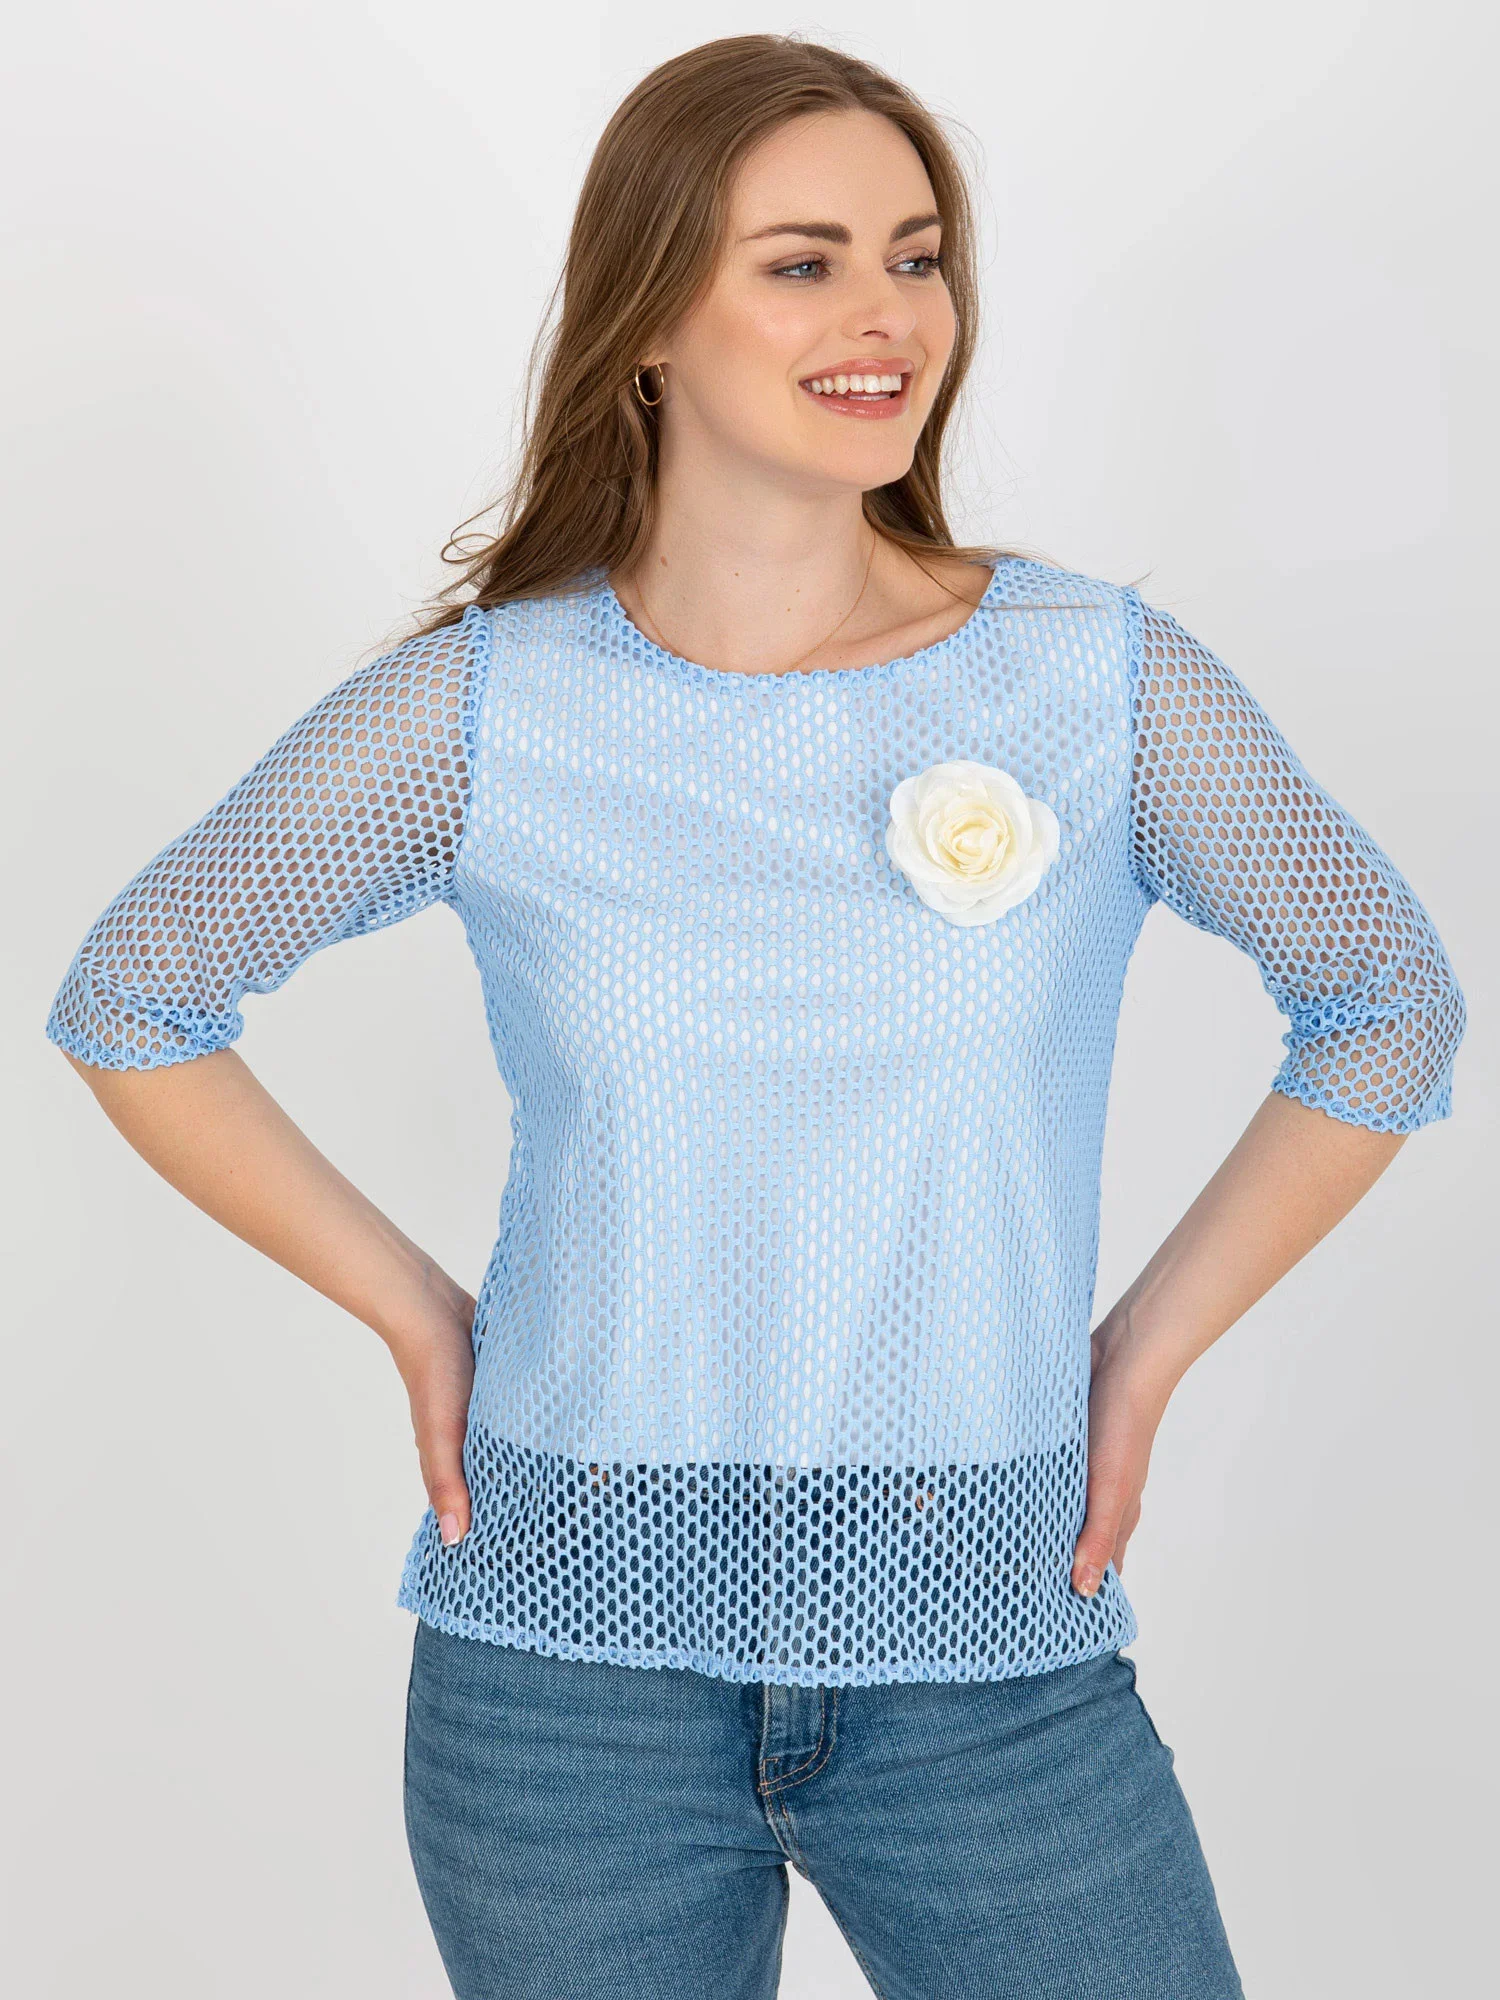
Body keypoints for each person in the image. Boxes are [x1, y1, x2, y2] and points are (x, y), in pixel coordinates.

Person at [44, 32, 1466, 2000]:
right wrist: (420, 1315)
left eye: (917, 254)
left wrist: (1134, 1362)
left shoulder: (1096, 680)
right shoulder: (489, 707)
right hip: (560, 1678)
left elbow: (1388, 998)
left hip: (989, 1647)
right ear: (648, 317)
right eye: (804, 263)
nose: (889, 313)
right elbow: (134, 995)